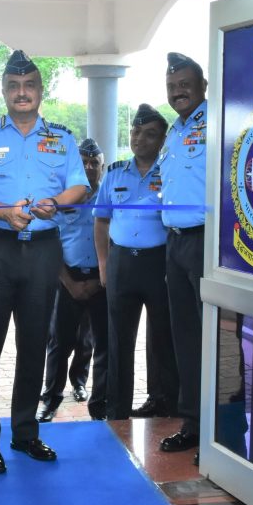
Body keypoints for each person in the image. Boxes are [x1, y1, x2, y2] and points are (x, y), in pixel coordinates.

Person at [0, 50, 89, 474]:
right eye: (13, 86)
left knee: (34, 344)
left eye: (29, 85)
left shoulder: (62, 138)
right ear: (3, 91)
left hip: (44, 249)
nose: (22, 93)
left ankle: (26, 432)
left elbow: (79, 187)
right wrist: (1, 211)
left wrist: (54, 202)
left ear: (40, 91)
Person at [94, 104, 179, 420]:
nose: (139, 138)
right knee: (119, 339)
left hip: (158, 264)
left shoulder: (170, 173)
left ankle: (164, 402)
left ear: (162, 139)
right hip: (121, 265)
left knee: (163, 339)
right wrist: (104, 264)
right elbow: (101, 221)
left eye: (149, 134)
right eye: (135, 131)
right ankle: (116, 408)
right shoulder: (115, 172)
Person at [158, 52, 208, 457]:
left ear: (203, 85)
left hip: (205, 241)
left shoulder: (218, 122)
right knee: (186, 338)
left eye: (186, 84)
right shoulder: (174, 131)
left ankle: (219, 432)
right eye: (173, 86)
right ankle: (192, 423)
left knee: (211, 338)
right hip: (174, 242)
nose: (179, 91)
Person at [37, 137, 108, 423]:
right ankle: (51, 397)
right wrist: (69, 282)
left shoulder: (110, 195)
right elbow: (49, 244)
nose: (89, 168)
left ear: (102, 169)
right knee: (60, 341)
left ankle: (94, 397)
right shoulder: (60, 198)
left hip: (101, 279)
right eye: (84, 163)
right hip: (68, 277)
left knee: (96, 342)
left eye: (95, 163)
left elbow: (115, 241)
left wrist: (100, 280)